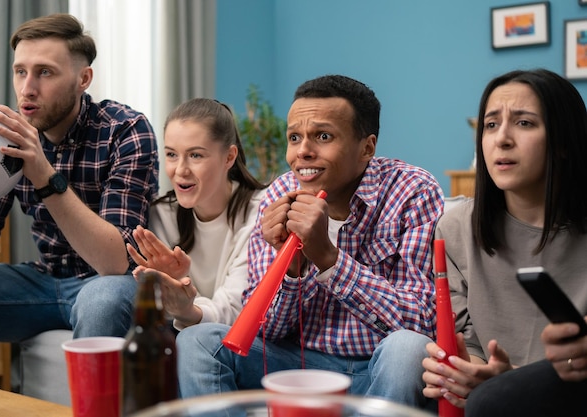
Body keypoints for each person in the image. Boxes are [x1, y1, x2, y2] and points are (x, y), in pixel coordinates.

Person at [175, 74, 444, 399]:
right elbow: (265, 331)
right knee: (196, 342)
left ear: (367, 148)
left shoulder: (412, 192)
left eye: (323, 136)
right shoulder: (280, 194)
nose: (302, 151)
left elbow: (424, 322)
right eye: (294, 137)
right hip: (295, 365)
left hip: (377, 367)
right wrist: (292, 269)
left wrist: (329, 259)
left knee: (409, 350)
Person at [387, 68, 587, 415]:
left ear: (564, 142)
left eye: (524, 123)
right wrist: (472, 371)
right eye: (491, 125)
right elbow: (471, 338)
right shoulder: (455, 230)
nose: (502, 139)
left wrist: (505, 382)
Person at [0, 13, 159, 341]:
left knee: (102, 303)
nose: (27, 89)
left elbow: (115, 262)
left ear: (83, 79)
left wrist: (44, 174)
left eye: (45, 73)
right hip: (42, 282)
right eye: (20, 71)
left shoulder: (126, 130)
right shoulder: (2, 137)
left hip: (109, 282)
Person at [126, 98, 266, 330]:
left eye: (195, 156)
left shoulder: (259, 213)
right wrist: (176, 290)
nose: (180, 170)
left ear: (229, 157)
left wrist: (186, 307)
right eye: (172, 155)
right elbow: (162, 311)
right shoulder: (160, 216)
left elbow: (237, 311)